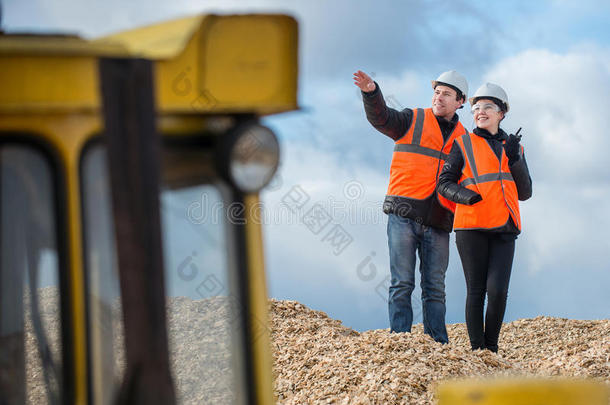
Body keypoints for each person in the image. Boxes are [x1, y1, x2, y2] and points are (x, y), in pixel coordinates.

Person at [353, 69, 469, 343]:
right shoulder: (412, 119)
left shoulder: (466, 139)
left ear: (460, 101)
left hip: (440, 221)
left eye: (447, 94)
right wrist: (371, 93)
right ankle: (400, 343)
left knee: (435, 289)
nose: (439, 98)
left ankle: (437, 345)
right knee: (402, 284)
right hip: (403, 214)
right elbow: (382, 118)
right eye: (437, 92)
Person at [437, 83, 532, 352]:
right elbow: (443, 182)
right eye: (476, 108)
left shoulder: (515, 148)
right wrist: (467, 196)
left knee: (499, 291)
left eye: (488, 107)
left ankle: (492, 348)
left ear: (501, 113)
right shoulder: (462, 144)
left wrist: (514, 159)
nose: (480, 112)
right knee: (476, 291)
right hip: (472, 226)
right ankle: (478, 351)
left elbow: (525, 192)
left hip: (505, 226)